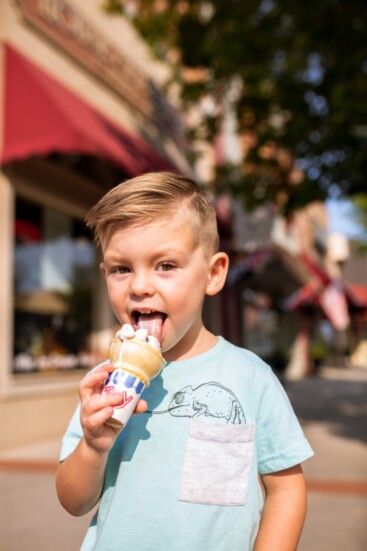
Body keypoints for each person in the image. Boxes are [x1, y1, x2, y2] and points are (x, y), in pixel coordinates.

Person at [56, 171, 314, 551]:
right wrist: (93, 447)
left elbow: (286, 489)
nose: (139, 286)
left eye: (165, 265)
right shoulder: (106, 380)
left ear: (213, 274)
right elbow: (73, 501)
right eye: (121, 269)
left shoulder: (249, 377)